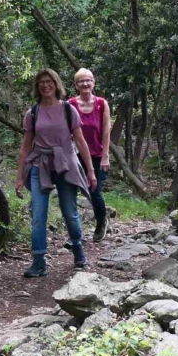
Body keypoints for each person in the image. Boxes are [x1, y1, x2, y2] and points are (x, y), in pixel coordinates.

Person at [15, 69, 98, 278]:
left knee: (69, 211)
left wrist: (90, 171)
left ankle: (78, 251)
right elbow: (25, 147)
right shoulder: (32, 113)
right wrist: (18, 177)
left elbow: (80, 141)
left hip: (66, 162)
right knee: (38, 215)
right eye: (41, 82)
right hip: (39, 163)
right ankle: (38, 261)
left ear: (56, 84)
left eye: (49, 81)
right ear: (37, 86)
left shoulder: (69, 110)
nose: (45, 85)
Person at [69, 68, 113, 242]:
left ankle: (101, 221)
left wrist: (105, 155)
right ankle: (74, 233)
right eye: (81, 81)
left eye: (88, 80)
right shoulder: (70, 104)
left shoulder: (101, 104)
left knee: (94, 192)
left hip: (96, 153)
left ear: (94, 83)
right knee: (74, 191)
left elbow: (106, 130)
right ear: (76, 85)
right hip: (75, 154)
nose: (85, 83)